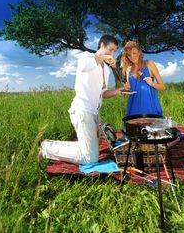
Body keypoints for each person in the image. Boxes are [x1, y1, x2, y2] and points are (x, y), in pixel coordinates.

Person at [38, 35, 124, 164]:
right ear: (101, 45)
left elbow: (103, 93)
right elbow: (84, 66)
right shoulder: (87, 56)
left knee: (90, 149)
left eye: (114, 51)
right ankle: (48, 148)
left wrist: (117, 92)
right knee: (90, 158)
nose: (112, 54)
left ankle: (51, 144)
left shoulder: (106, 69)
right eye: (110, 50)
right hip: (82, 110)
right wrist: (105, 57)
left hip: (94, 113)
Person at [122, 41, 166, 117]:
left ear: (139, 52)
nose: (132, 56)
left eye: (134, 53)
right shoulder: (128, 69)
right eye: (129, 55)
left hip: (150, 108)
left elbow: (163, 87)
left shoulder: (149, 64)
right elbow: (130, 89)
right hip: (133, 108)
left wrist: (152, 83)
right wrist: (127, 89)